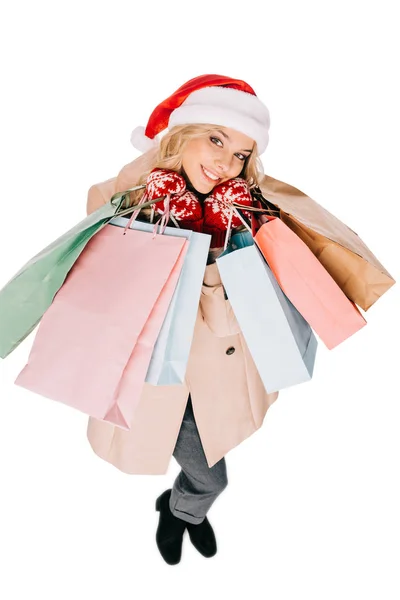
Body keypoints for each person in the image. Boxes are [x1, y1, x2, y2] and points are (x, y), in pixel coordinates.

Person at [85, 74, 279, 565]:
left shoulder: (241, 208)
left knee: (212, 467)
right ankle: (182, 511)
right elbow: (100, 283)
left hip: (213, 369)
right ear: (181, 132)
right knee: (212, 475)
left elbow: (245, 310)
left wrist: (220, 250)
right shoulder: (131, 198)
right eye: (216, 139)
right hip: (157, 376)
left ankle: (180, 510)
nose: (225, 163)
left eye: (239, 154)